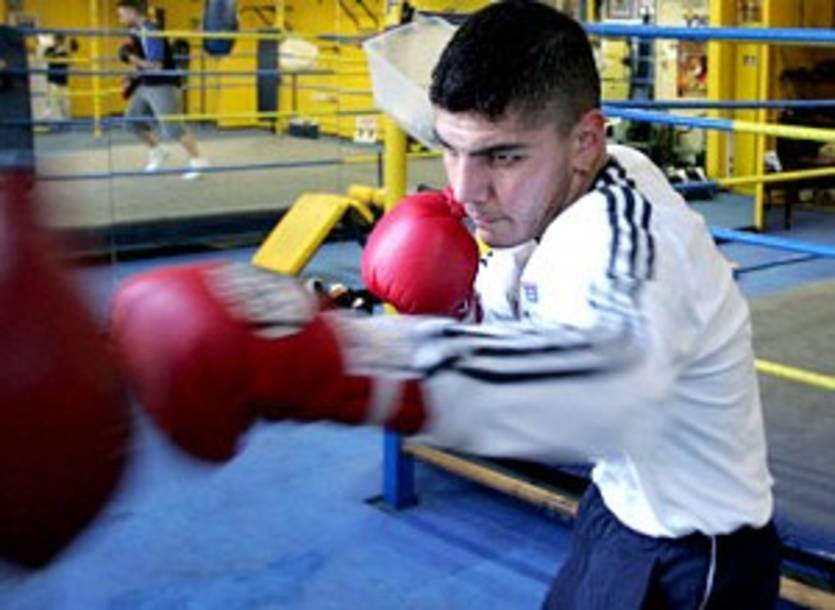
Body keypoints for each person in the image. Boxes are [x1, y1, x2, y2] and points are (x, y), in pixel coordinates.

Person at [111, 2, 780, 608]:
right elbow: (511, 321)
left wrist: (335, 355)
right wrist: (413, 310)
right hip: (618, 504)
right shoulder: (553, 189)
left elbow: (603, 388)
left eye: (501, 157)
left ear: (585, 140)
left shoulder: (628, 232)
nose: (464, 191)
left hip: (695, 547)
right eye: (449, 151)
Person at [116, 0, 209, 179]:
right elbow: (143, 63)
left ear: (132, 11)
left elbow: (156, 66)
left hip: (162, 84)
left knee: (172, 128)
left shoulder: (150, 31)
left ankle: (198, 161)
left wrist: (131, 58)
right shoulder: (136, 32)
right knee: (132, 122)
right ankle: (158, 152)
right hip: (146, 84)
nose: (119, 17)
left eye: (121, 13)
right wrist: (133, 75)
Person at [43, 34, 72, 124]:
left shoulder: (65, 51)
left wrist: (66, 51)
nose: (59, 42)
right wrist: (56, 51)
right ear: (54, 40)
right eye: (57, 40)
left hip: (63, 81)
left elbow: (70, 63)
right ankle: (46, 121)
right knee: (51, 102)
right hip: (53, 80)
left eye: (61, 40)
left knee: (66, 103)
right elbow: (45, 59)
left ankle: (67, 121)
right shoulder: (50, 49)